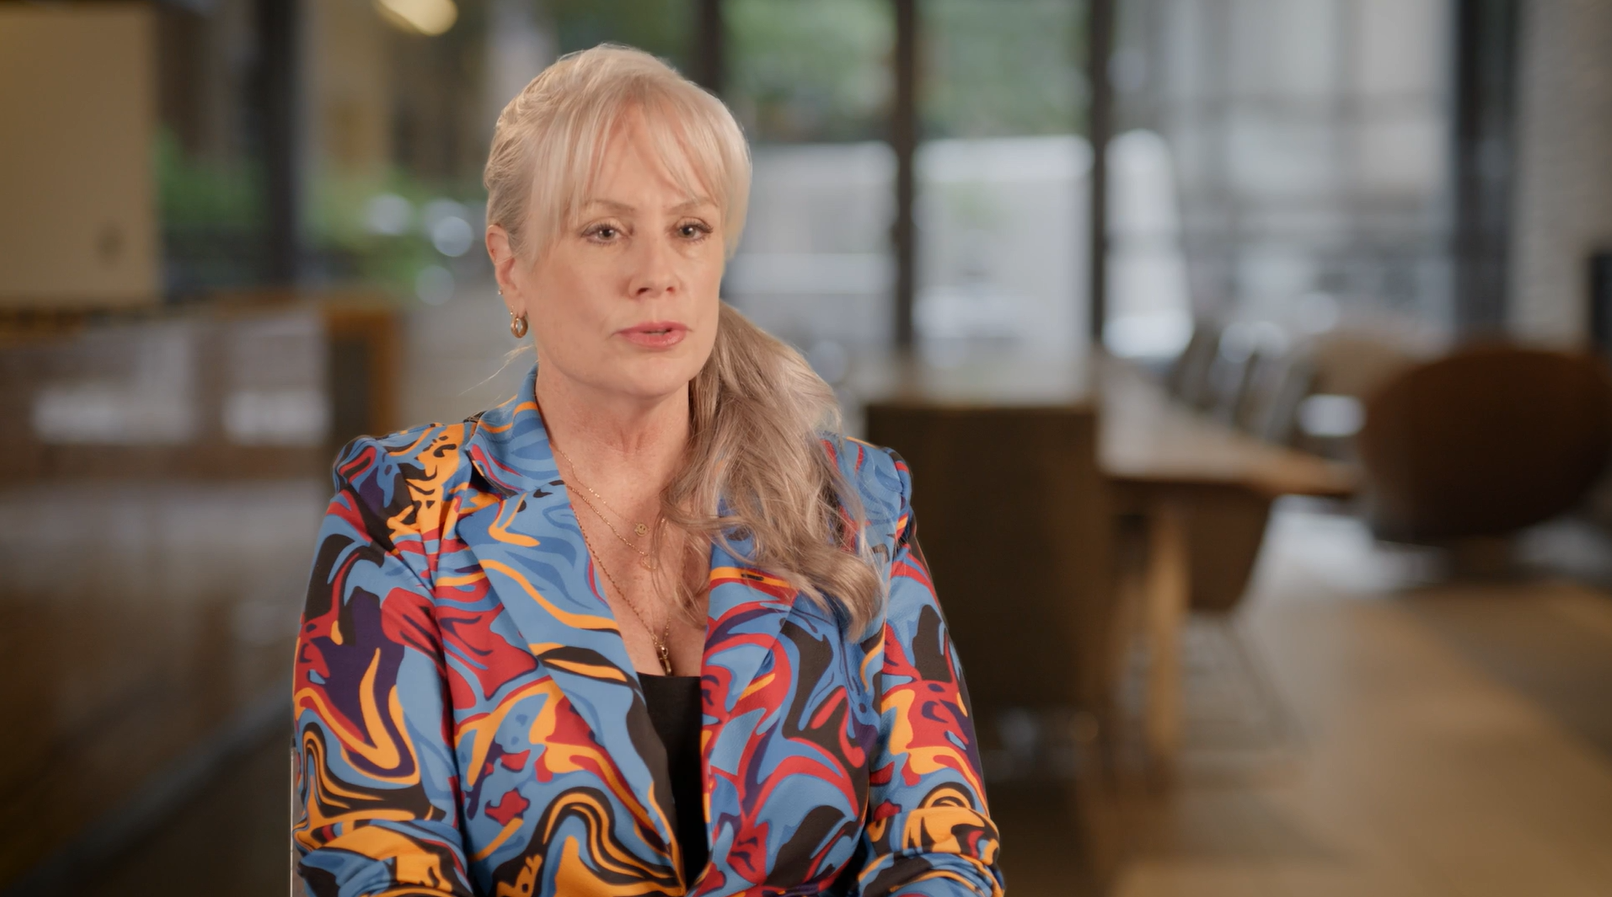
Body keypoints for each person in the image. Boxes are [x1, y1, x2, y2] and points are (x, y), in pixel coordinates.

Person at [292, 44, 1002, 897]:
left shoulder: (855, 505)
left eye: (689, 229)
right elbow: (376, 868)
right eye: (605, 231)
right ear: (510, 266)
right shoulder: (403, 519)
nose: (657, 275)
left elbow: (944, 847)